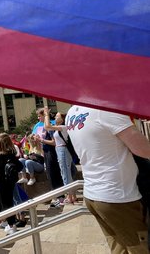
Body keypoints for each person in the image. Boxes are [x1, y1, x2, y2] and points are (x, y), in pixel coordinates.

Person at [66, 105, 150, 253]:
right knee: (139, 248)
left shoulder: (72, 113)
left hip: (94, 194)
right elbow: (143, 149)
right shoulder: (106, 109)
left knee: (119, 248)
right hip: (118, 198)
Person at [43, 109, 76, 204]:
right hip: (60, 150)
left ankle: (69, 197)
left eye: (57, 116)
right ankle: (72, 196)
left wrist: (46, 114)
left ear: (62, 119)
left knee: (65, 173)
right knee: (66, 173)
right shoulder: (59, 127)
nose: (55, 117)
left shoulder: (63, 127)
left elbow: (48, 125)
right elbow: (47, 127)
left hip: (63, 150)